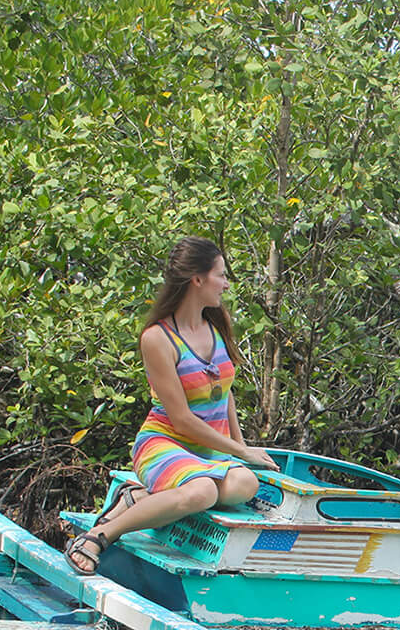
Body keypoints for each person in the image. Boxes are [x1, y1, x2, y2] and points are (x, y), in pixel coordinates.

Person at [65, 236, 276, 574]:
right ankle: (100, 535)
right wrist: (241, 454)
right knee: (203, 491)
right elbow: (180, 419)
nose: (225, 284)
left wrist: (240, 445)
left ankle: (139, 498)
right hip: (166, 441)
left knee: (246, 484)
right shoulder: (157, 338)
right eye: (220, 275)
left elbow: (226, 392)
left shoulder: (217, 323)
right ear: (197, 279)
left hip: (208, 451)